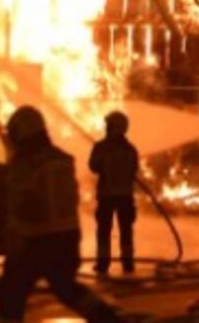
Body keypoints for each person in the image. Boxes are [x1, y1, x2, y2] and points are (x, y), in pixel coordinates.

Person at [0, 106, 118, 322]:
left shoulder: (26, 164)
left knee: (11, 295)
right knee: (67, 289)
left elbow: (20, 204)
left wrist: (13, 241)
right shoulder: (62, 159)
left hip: (34, 242)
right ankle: (107, 318)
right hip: (66, 238)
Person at [88, 111, 139, 276]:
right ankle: (128, 262)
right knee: (126, 230)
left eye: (108, 125)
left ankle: (103, 263)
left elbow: (93, 166)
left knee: (103, 230)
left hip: (107, 196)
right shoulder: (130, 149)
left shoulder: (101, 147)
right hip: (125, 196)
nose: (106, 128)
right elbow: (134, 169)